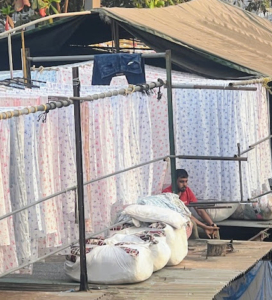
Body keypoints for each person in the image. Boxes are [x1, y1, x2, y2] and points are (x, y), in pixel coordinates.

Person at [163, 169, 219, 239]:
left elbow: (199, 210)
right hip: (175, 224)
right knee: (192, 224)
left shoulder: (187, 190)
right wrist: (204, 226)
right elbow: (185, 214)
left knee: (215, 230)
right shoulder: (167, 193)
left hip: (187, 219)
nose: (185, 184)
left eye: (186, 181)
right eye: (181, 182)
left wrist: (212, 225)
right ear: (174, 181)